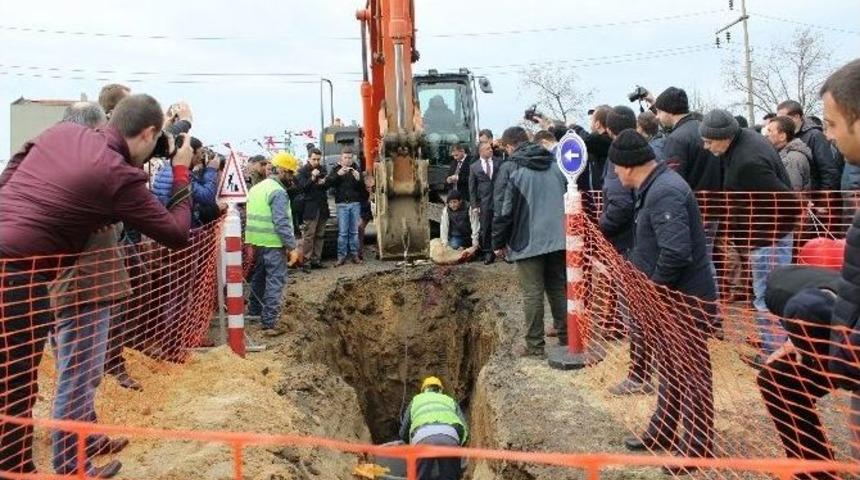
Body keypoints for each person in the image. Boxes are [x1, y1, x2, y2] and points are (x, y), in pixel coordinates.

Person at [0, 93, 194, 477]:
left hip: (16, 264)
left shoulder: (59, 135)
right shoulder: (116, 173)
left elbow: (12, 171)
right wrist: (182, 171)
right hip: (19, 279)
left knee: (13, 382)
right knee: (17, 387)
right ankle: (31, 469)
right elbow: (176, 233)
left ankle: (24, 465)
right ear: (150, 133)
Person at [757, 59, 860, 480]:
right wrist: (815, 335)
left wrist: (817, 325)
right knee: (779, 378)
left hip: (852, 355)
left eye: (833, 124)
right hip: (848, 350)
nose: (828, 137)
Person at [611, 130, 716, 473]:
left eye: (615, 167)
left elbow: (675, 252)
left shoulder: (665, 192)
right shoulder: (654, 187)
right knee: (670, 368)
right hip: (670, 298)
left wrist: (653, 292)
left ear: (628, 166)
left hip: (682, 300)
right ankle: (664, 431)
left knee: (691, 373)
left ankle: (697, 448)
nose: (614, 173)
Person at [700, 109, 798, 357]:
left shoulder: (748, 162)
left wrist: (764, 233)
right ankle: (772, 348)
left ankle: (773, 357)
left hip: (769, 239)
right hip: (766, 236)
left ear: (725, 136)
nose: (705, 146)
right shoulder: (742, 140)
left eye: (709, 141)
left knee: (767, 298)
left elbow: (788, 201)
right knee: (767, 296)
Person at [492, 126, 568, 357]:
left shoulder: (511, 168)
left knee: (532, 293)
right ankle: (567, 337)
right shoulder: (555, 165)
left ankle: (535, 346)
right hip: (559, 238)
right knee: (557, 288)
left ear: (508, 146)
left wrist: (498, 241)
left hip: (528, 242)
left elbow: (503, 210)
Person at [244, 152, 301, 336]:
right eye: (290, 173)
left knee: (259, 277)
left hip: (256, 242)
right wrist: (292, 246)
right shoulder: (278, 192)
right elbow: (281, 222)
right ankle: (269, 321)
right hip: (272, 243)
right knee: (275, 280)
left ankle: (255, 310)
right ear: (283, 170)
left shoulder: (257, 188)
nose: (292, 177)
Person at [399, 376, 468, 480]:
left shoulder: (416, 400)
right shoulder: (449, 400)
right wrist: (458, 447)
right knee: (450, 477)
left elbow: (403, 431)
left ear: (423, 390)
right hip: (450, 437)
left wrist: (411, 445)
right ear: (440, 390)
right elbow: (465, 429)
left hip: (422, 439)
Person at [777, 99, 842, 190]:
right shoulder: (786, 136)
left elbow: (828, 170)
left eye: (783, 119)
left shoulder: (815, 136)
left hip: (814, 195)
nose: (779, 123)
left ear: (796, 116)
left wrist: (824, 198)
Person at [326, 146, 365, 266]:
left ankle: (354, 255)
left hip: (355, 203)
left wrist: (359, 179)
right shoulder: (336, 169)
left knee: (354, 232)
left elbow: (363, 189)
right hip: (342, 204)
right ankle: (341, 256)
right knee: (343, 232)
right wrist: (338, 174)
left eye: (350, 158)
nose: (348, 160)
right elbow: (328, 184)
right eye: (345, 158)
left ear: (353, 158)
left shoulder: (356, 169)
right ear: (341, 158)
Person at [296, 148, 329, 272]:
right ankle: (306, 262)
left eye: (318, 159)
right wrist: (313, 178)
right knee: (309, 236)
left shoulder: (322, 169)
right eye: (314, 159)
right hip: (310, 208)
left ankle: (316, 260)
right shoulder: (302, 171)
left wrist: (324, 182)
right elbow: (303, 188)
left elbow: (327, 185)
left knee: (320, 235)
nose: (316, 162)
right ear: (309, 158)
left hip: (322, 206)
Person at [468, 142, 500, 264]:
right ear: (481, 151)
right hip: (484, 202)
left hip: (499, 200)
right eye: (487, 149)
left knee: (500, 224)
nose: (490, 150)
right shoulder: (474, 167)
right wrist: (474, 205)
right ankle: (488, 252)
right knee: (486, 227)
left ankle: (502, 249)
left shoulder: (499, 163)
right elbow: (472, 188)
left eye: (490, 148)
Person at [766, 116, 813, 191]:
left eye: (770, 131)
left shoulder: (791, 159)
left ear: (782, 136)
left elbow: (791, 194)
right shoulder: (786, 154)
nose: (766, 135)